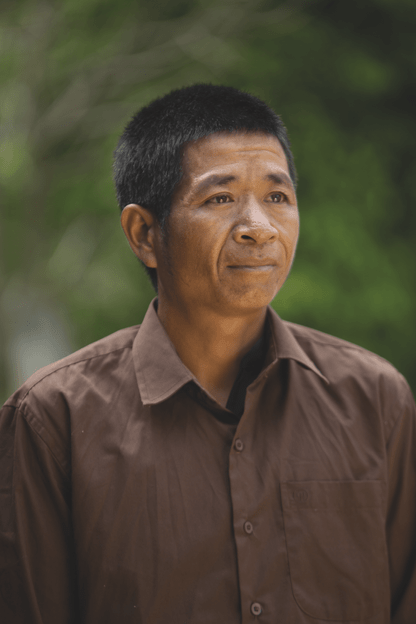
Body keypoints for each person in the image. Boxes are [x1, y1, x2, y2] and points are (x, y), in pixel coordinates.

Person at [0, 84, 415, 624]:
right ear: (145, 233)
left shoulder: (375, 399)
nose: (259, 227)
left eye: (277, 197)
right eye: (220, 199)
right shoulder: (52, 420)